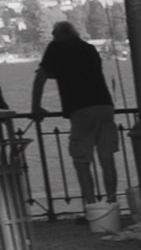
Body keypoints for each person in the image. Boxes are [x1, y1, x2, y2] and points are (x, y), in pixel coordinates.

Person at [30, 21, 117, 207]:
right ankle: (112, 202)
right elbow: (80, 71)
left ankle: (92, 206)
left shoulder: (56, 47)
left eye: (53, 34)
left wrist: (35, 107)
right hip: (104, 104)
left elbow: (40, 80)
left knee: (82, 160)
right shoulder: (89, 49)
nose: (52, 38)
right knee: (106, 157)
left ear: (57, 35)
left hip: (81, 108)